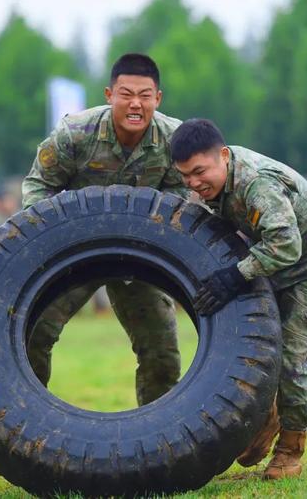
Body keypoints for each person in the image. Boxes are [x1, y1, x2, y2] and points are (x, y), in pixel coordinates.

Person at [170, 119, 307, 479]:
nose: (193, 183)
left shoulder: (256, 183)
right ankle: (264, 418)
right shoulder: (214, 186)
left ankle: (291, 448)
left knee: (290, 358)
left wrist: (235, 275)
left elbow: (287, 245)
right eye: (185, 176)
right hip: (275, 270)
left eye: (199, 172)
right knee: (253, 350)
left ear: (223, 155)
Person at [21, 53, 189, 406]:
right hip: (77, 251)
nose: (135, 104)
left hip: (139, 255)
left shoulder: (175, 140)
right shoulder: (76, 134)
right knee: (33, 332)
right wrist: (50, 240)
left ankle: (157, 440)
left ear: (157, 99)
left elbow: (180, 197)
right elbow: (39, 186)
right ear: (109, 94)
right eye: (126, 94)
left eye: (145, 96)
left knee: (162, 352)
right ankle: (26, 423)